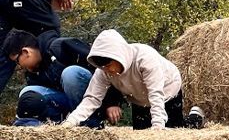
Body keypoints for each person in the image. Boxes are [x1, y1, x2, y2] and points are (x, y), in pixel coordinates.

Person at [62, 29, 204, 130]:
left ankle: (195, 118)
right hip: (139, 99)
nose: (107, 70)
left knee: (177, 130)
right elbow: (91, 99)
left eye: (109, 65)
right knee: (142, 138)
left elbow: (156, 93)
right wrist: (69, 124)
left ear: (118, 55)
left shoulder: (145, 59)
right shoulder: (103, 71)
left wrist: (158, 126)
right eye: (102, 66)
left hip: (167, 91)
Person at [1, 28, 121, 127]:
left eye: (17, 61)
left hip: (95, 99)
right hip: (67, 106)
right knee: (27, 92)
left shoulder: (62, 46)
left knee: (70, 73)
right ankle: (53, 125)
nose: (19, 66)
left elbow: (106, 67)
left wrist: (113, 102)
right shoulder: (32, 73)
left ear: (26, 52)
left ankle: (90, 123)